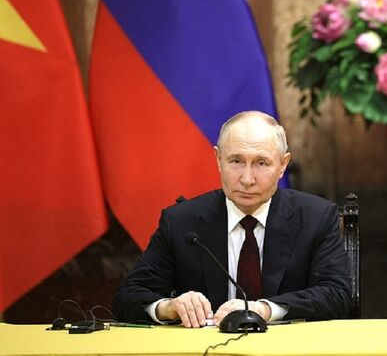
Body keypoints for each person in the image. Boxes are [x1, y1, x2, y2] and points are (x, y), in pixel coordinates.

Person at [112, 111, 352, 327]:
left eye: (261, 163)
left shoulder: (316, 217)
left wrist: (265, 309)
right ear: (218, 159)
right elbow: (127, 297)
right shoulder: (181, 222)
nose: (247, 179)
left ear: (282, 165)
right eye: (236, 161)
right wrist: (168, 307)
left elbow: (337, 295)